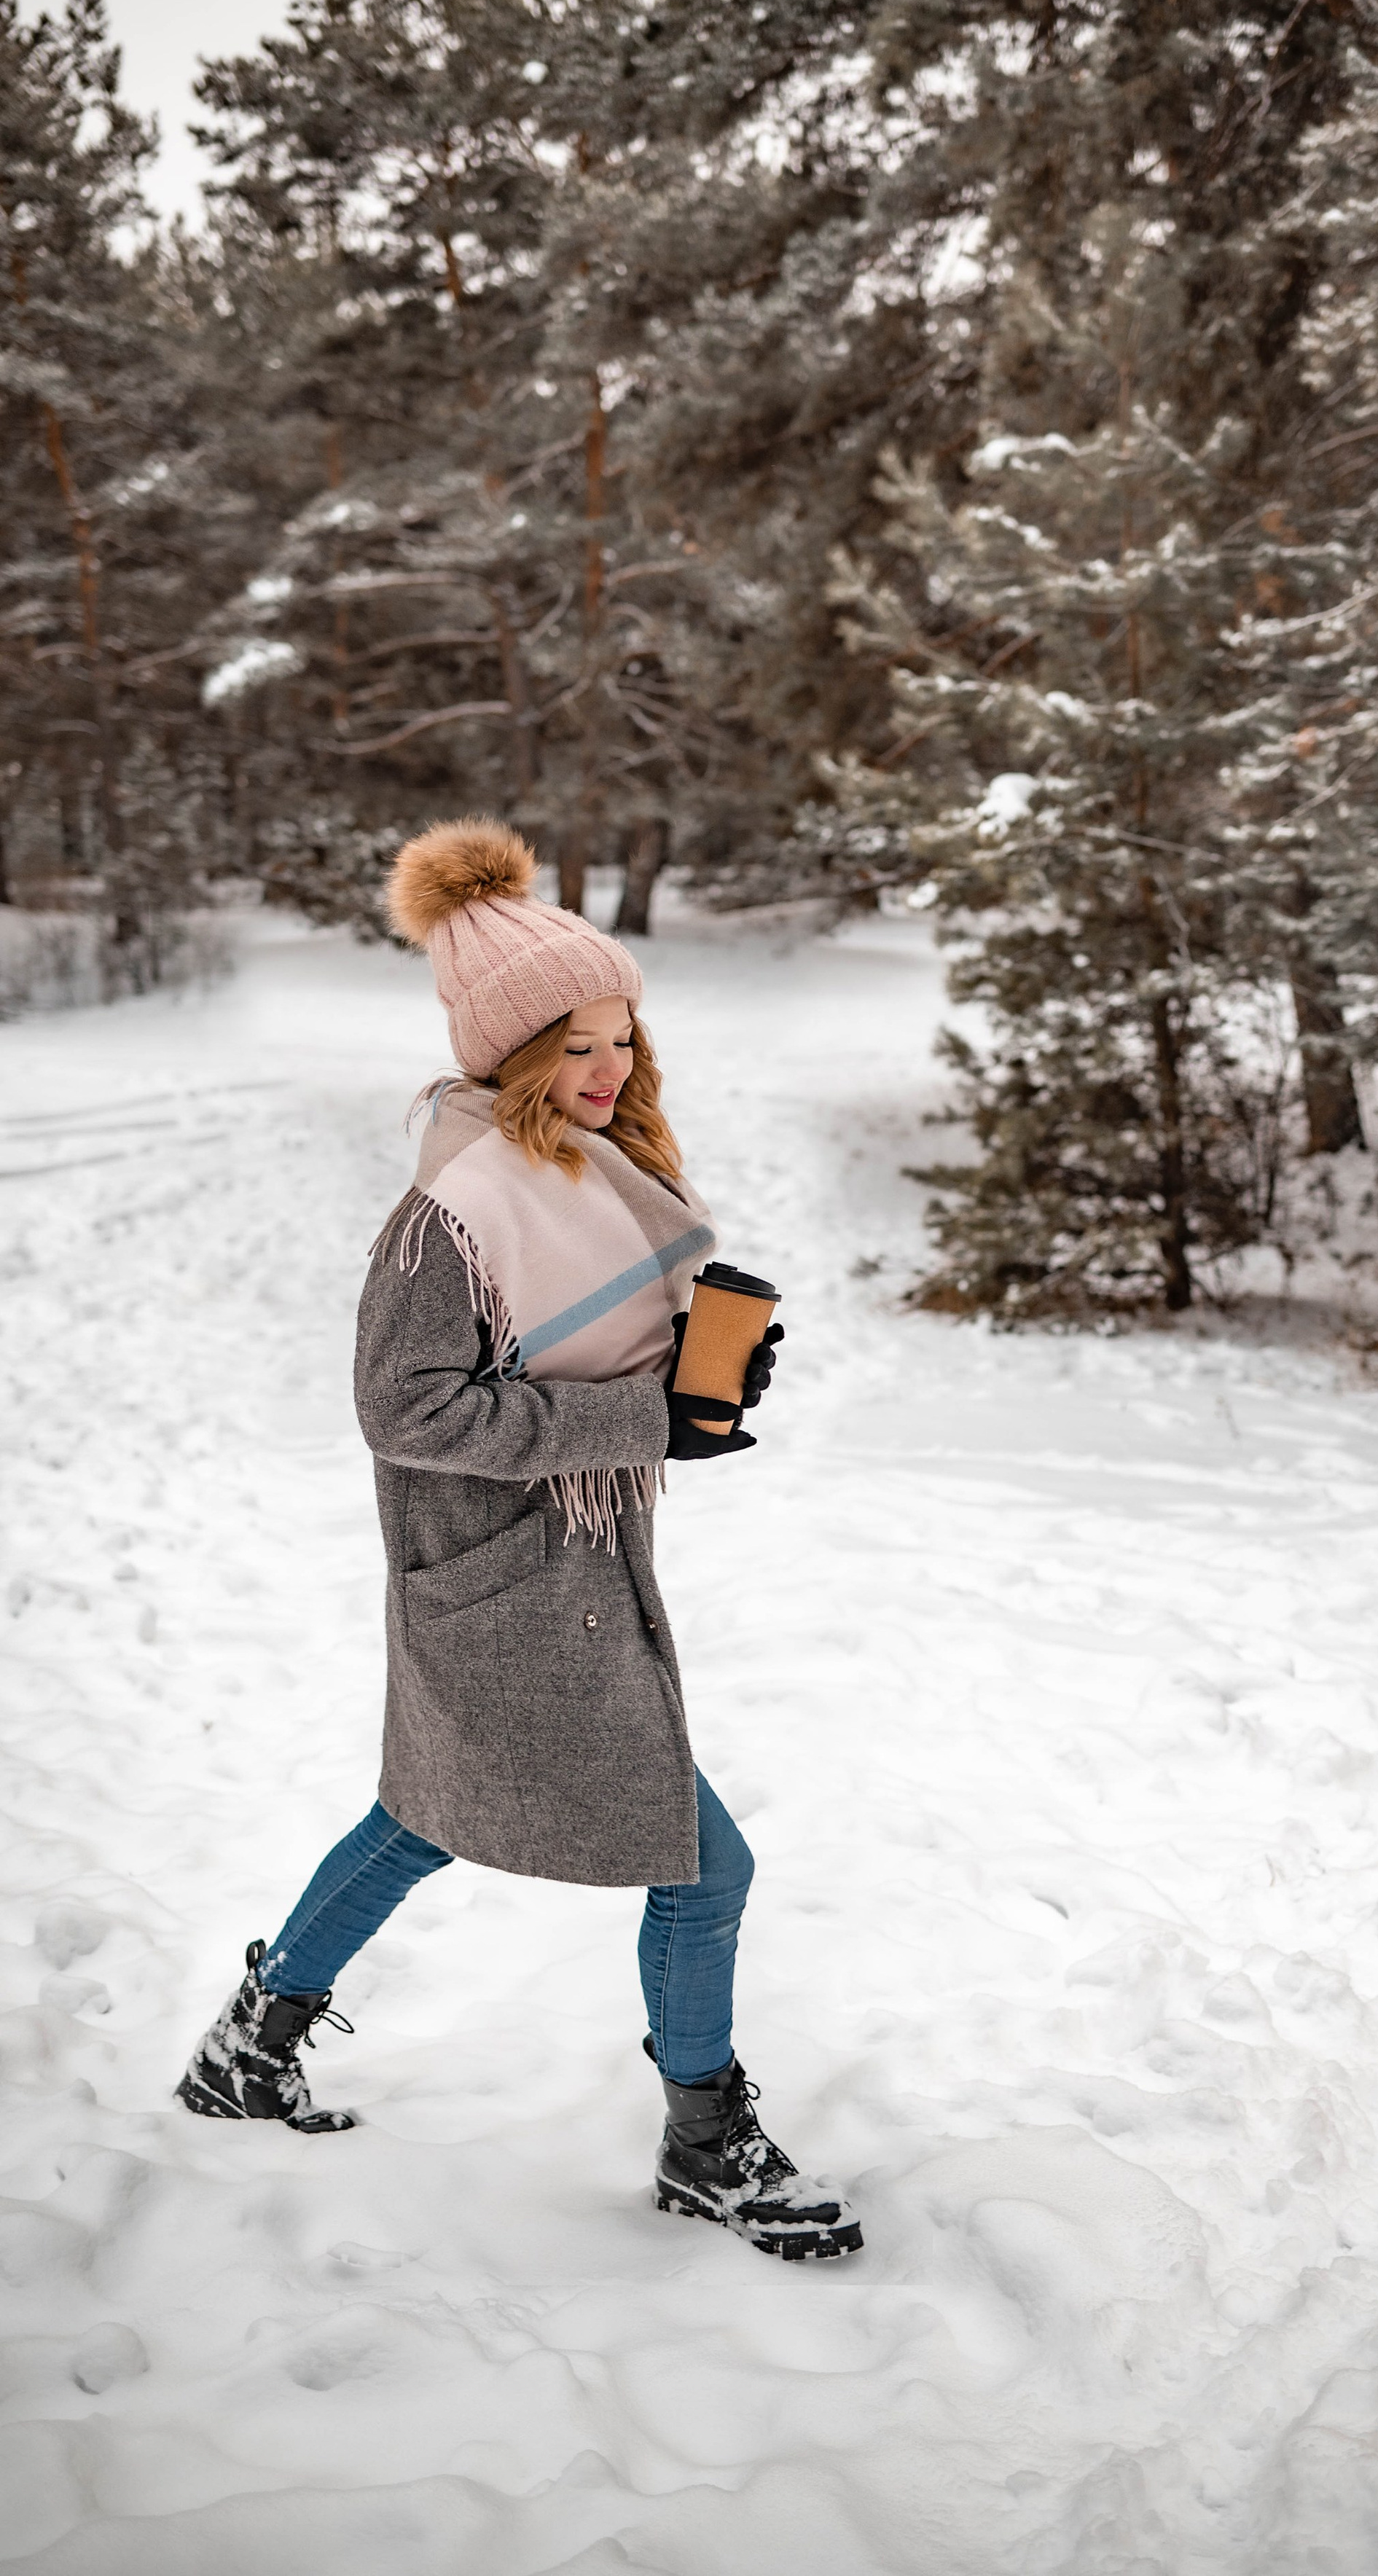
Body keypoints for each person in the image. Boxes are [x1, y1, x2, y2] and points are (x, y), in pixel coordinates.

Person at [175, 818, 861, 2263]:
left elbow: (596, 1373)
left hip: (554, 1575)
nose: (607, 1071)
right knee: (701, 1866)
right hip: (509, 1587)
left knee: (423, 1816)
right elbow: (400, 1405)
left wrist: (702, 1392)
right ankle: (705, 2140)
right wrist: (641, 1423)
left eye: (620, 1039)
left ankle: (253, 2044)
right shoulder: (451, 1211)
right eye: (573, 1047)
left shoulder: (572, 1173)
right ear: (508, 1056)